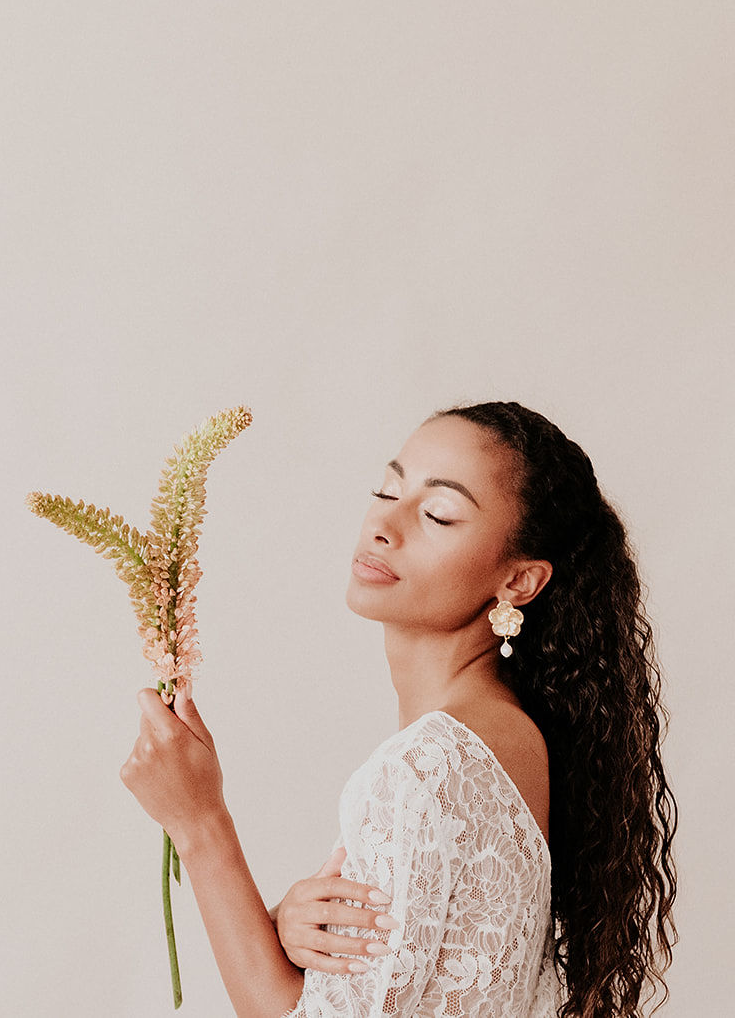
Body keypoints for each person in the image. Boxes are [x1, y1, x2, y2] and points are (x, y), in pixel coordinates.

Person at [120, 401, 678, 1017]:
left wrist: (199, 824)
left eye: (439, 513)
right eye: (387, 489)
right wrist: (279, 927)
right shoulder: (507, 737)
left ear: (519, 582)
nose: (385, 524)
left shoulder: (429, 765)